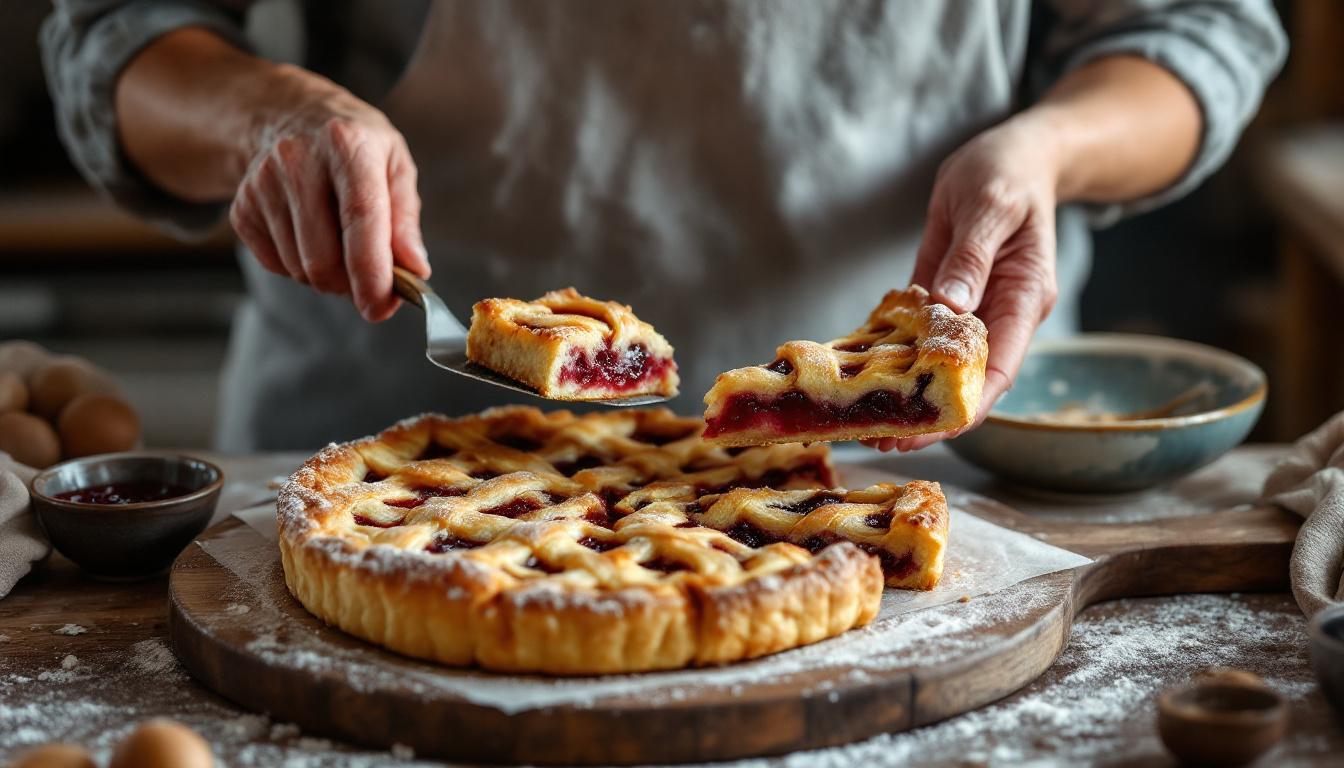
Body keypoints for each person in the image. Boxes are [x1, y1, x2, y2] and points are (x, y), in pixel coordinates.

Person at [42, 1, 1285, 452]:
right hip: (388, 444)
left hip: (865, 484)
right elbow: (112, 32)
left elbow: (1197, 30)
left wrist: (1048, 150)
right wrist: (264, 112)